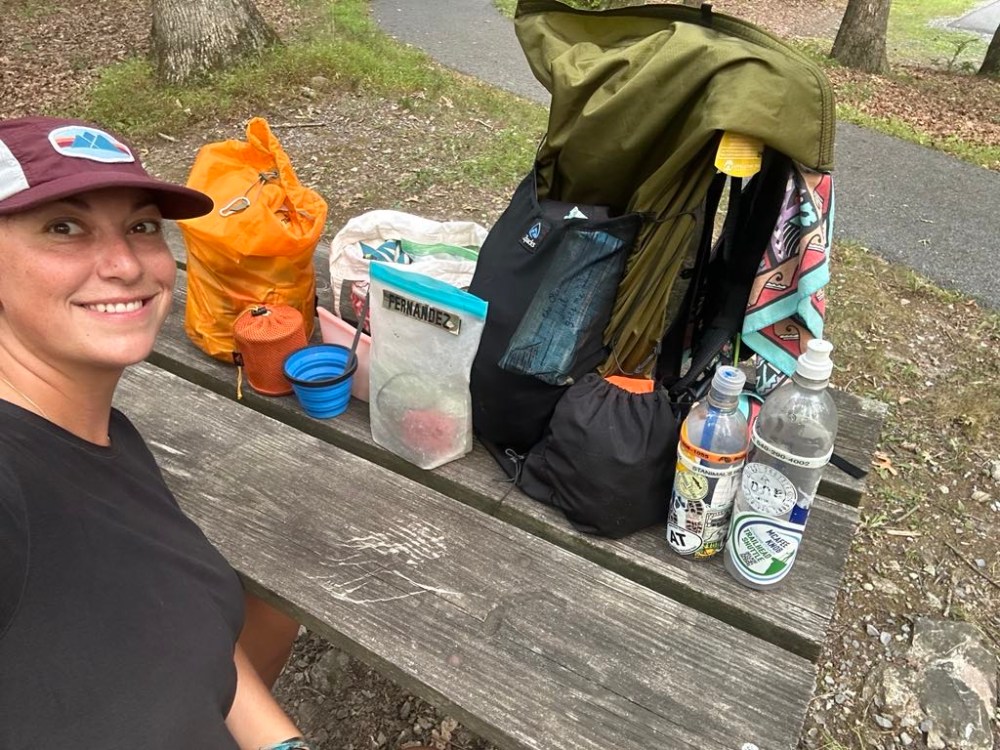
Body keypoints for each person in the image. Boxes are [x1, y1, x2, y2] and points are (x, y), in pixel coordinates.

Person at [0, 116, 307, 749]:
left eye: (141, 226)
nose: (124, 264)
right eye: (64, 228)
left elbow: (190, 632)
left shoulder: (104, 433)